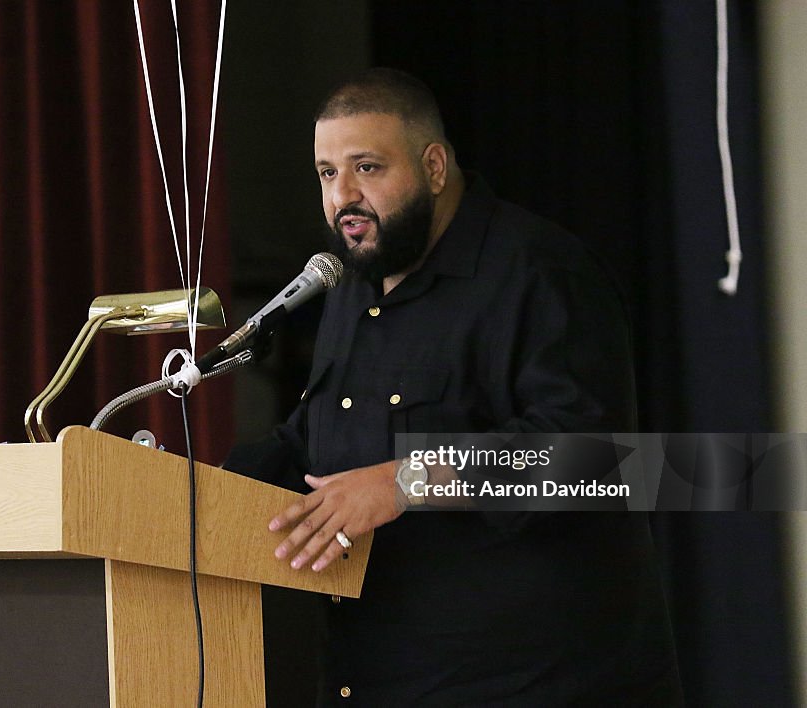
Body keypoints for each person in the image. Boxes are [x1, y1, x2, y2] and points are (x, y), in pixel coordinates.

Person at [226, 68, 683, 706]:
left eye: (367, 167)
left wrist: (402, 482)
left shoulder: (542, 272)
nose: (344, 197)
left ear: (434, 166)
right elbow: (315, 442)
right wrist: (180, 486)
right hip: (386, 675)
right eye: (328, 174)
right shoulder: (353, 285)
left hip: (538, 683)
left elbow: (591, 459)